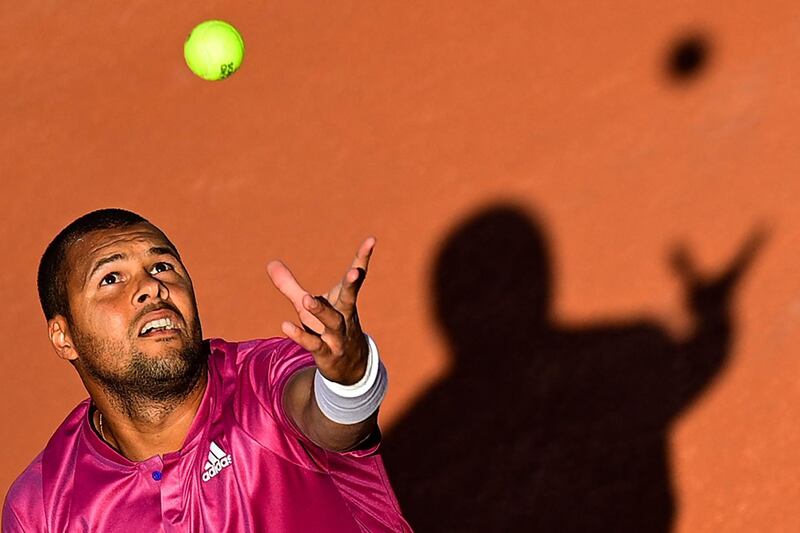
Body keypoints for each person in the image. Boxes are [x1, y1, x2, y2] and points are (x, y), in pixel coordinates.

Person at [2, 208, 411, 532]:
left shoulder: (265, 379)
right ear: (63, 336)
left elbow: (328, 414)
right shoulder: (42, 509)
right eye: (111, 278)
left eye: (162, 267)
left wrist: (348, 378)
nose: (151, 287)